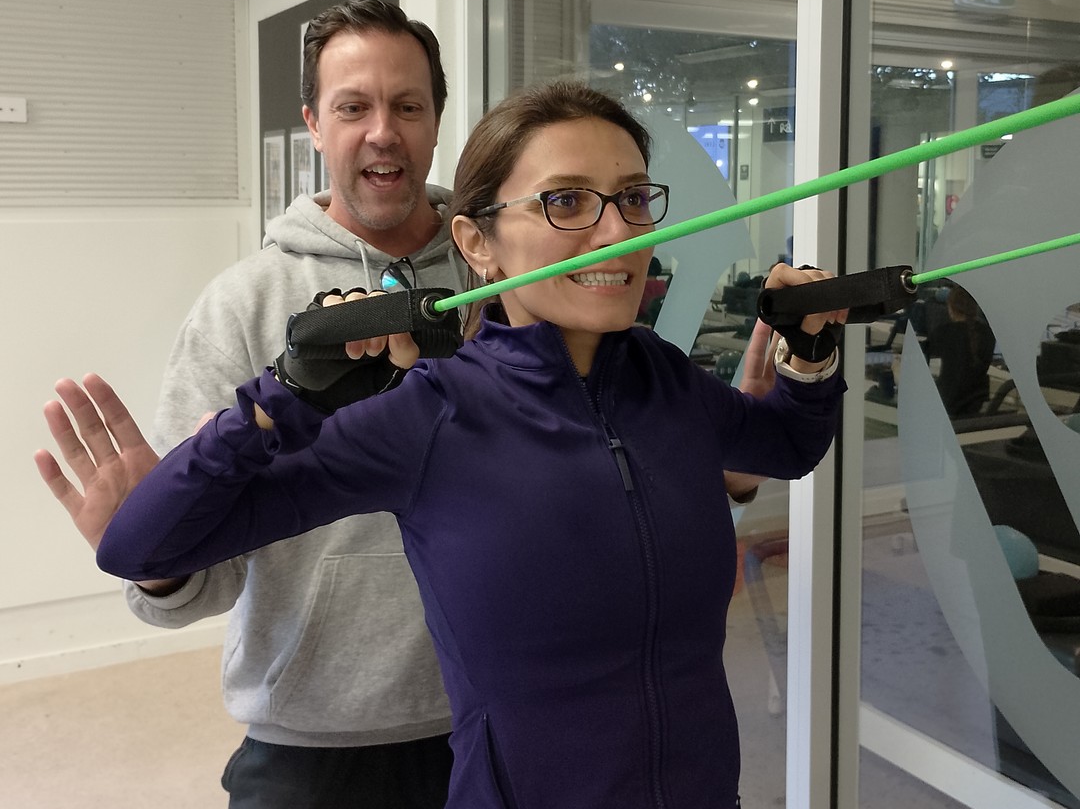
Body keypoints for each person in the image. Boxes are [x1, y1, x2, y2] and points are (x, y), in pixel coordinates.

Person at [46, 81, 846, 809]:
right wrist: (286, 398)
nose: (617, 231)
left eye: (633, 197)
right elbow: (138, 544)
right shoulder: (431, 412)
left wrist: (808, 354)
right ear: (477, 243)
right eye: (567, 201)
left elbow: (785, 444)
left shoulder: (665, 380)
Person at [36, 0, 464, 808]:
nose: (383, 131)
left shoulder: (493, 279)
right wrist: (160, 556)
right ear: (314, 123)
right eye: (353, 107)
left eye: (407, 105)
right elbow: (198, 583)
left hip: (487, 711)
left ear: (437, 120)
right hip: (308, 743)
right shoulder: (242, 304)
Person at [924, 283, 995, 419]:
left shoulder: (942, 334)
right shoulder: (987, 334)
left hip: (947, 406)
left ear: (950, 308)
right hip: (975, 405)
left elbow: (934, 373)